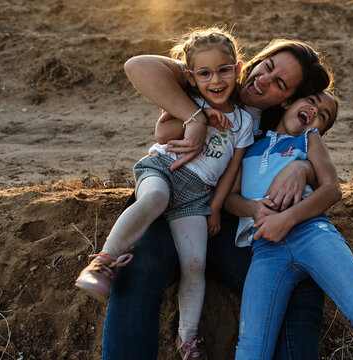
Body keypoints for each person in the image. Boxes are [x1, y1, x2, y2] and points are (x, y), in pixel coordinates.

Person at [102, 37, 333, 360]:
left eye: (280, 83)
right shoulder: (214, 76)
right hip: (171, 192)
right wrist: (194, 117)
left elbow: (314, 140)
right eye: (266, 66)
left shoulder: (274, 124)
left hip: (226, 220)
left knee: (299, 285)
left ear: (288, 100)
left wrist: (304, 168)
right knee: (136, 271)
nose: (263, 80)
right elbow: (138, 66)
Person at [75, 27, 254, 359]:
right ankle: (103, 263)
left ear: (238, 69)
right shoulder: (191, 102)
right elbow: (162, 131)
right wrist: (197, 119)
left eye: (224, 70)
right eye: (204, 73)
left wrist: (215, 207)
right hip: (163, 171)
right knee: (154, 199)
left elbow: (233, 168)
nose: (215, 80)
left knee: (196, 263)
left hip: (197, 197)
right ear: (190, 76)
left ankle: (187, 339)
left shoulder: (244, 121)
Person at [226, 91, 353, 360]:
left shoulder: (309, 140)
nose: (314, 111)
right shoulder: (251, 145)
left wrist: (286, 219)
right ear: (287, 102)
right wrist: (253, 209)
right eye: (310, 101)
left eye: (323, 116)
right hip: (265, 250)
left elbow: (332, 189)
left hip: (313, 234)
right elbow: (231, 197)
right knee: (251, 347)